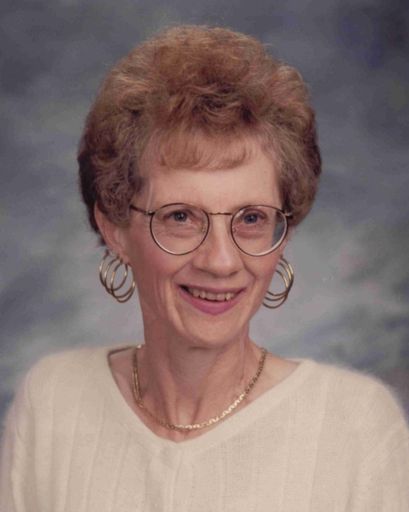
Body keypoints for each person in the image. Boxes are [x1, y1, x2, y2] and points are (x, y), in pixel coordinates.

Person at [1, 25, 408, 512]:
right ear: (115, 228)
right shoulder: (52, 400)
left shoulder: (356, 429)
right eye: (180, 217)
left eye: (251, 219)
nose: (221, 261)